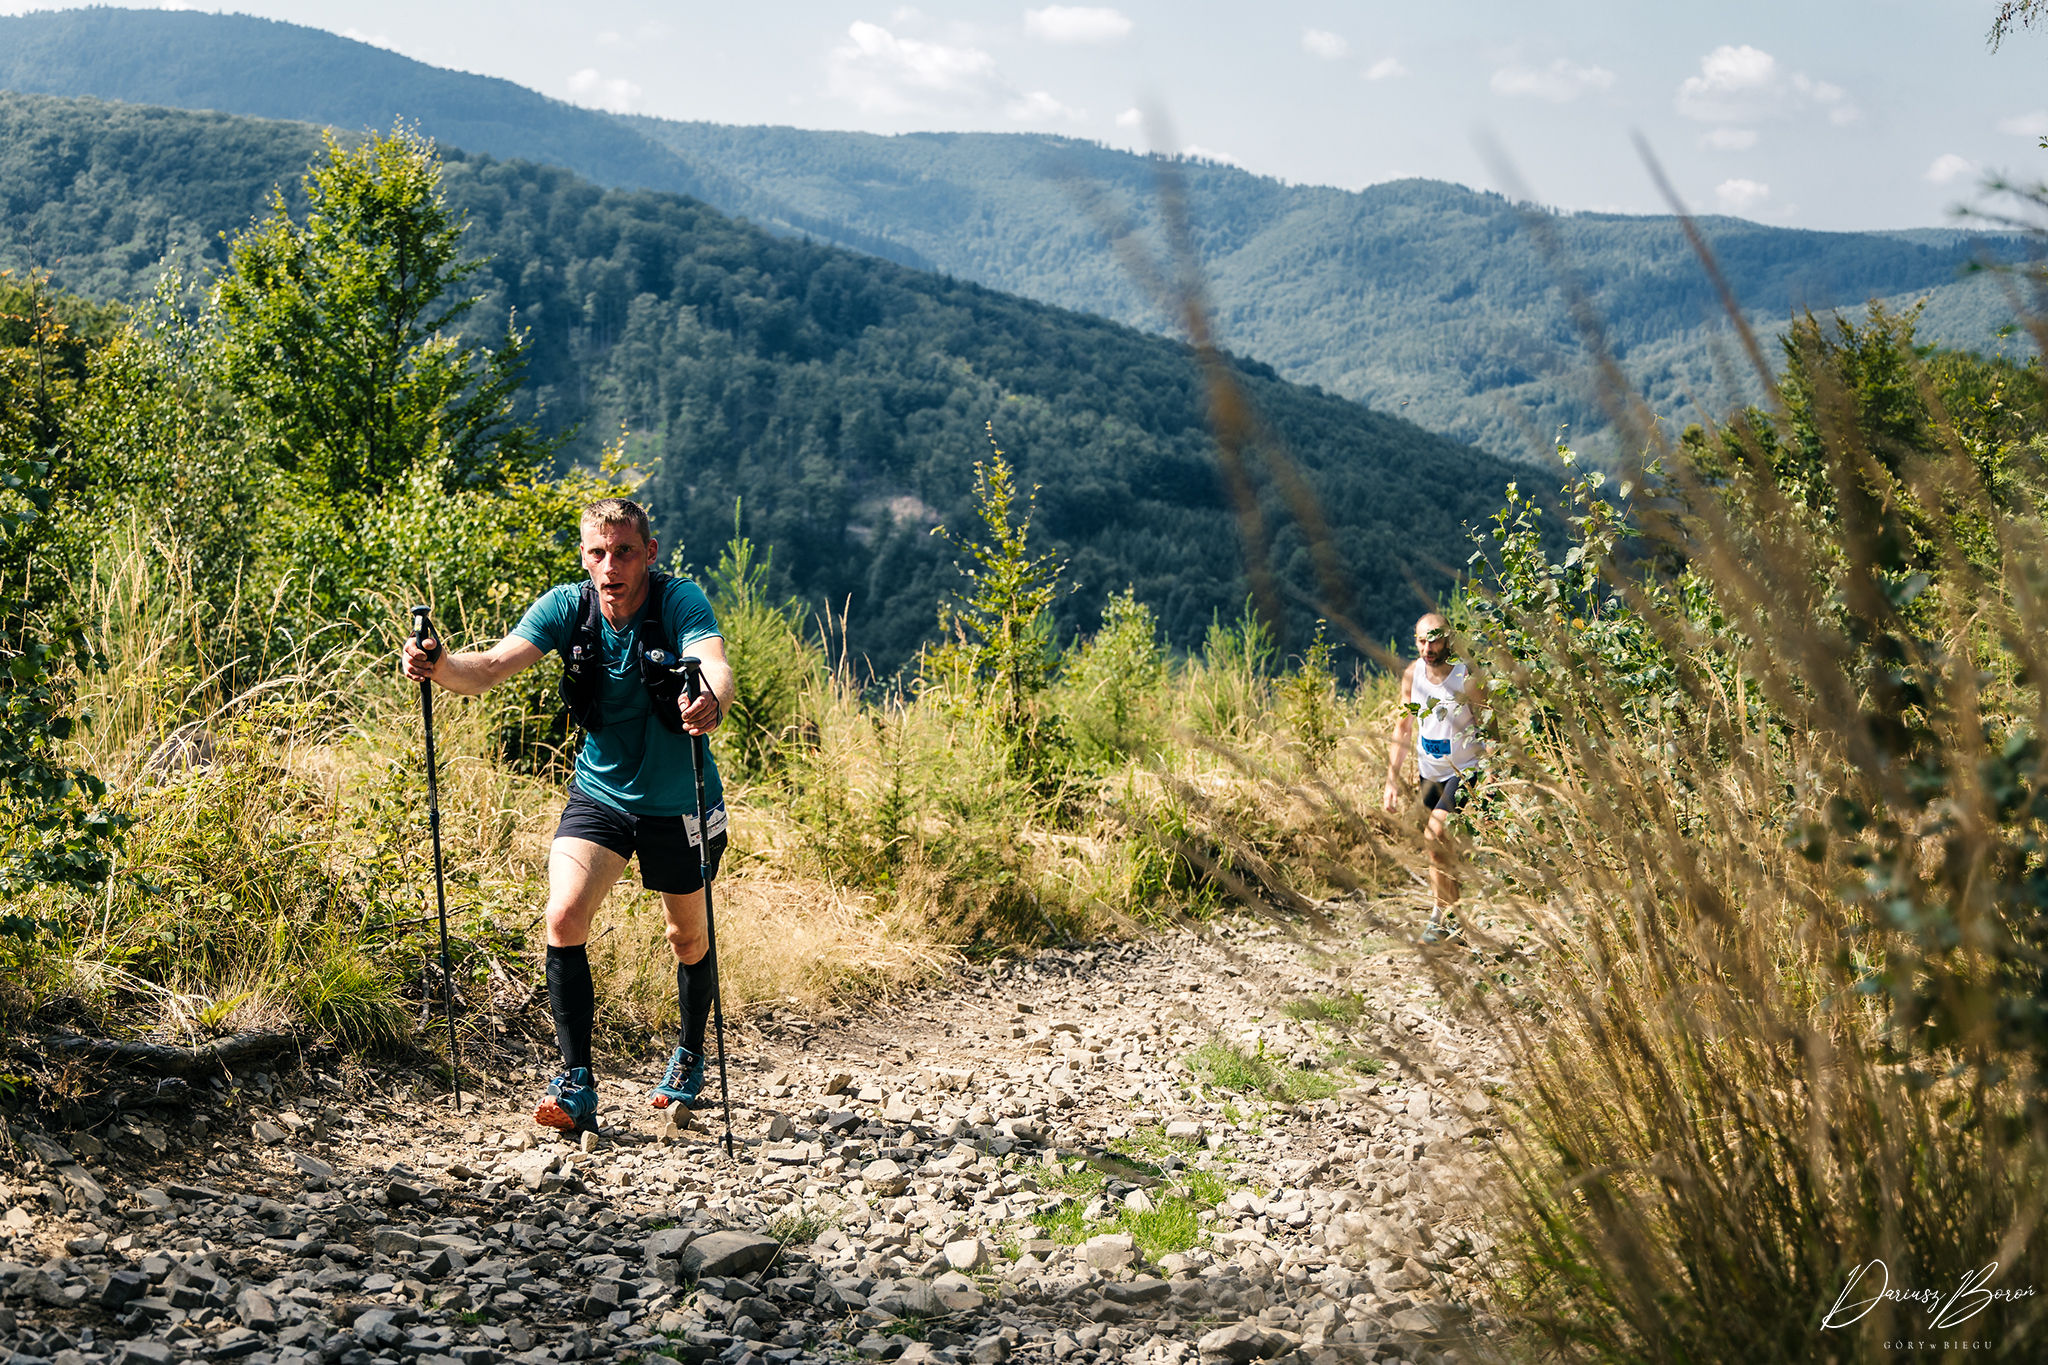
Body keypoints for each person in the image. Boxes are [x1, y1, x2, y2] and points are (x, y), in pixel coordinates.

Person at [399, 497, 738, 1135]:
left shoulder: (679, 601)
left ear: (649, 553)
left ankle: (690, 1056)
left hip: (680, 803)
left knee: (687, 937)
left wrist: (710, 702)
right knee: (562, 915)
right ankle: (576, 1081)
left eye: (625, 551)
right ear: (584, 556)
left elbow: (714, 664)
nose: (611, 566)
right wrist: (438, 664)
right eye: (598, 553)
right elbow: (487, 669)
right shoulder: (566, 608)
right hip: (600, 796)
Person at [1382, 612, 1485, 944]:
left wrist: (1494, 773)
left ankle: (1438, 918)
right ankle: (1456, 923)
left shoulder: (1466, 677)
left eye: (1435, 640)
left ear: (1448, 640)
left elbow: (1488, 725)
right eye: (1422, 641)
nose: (1428, 648)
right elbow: (1403, 727)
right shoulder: (1413, 676)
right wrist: (1391, 780)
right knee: (1439, 851)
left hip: (1463, 771)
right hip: (1430, 773)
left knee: (1434, 835)